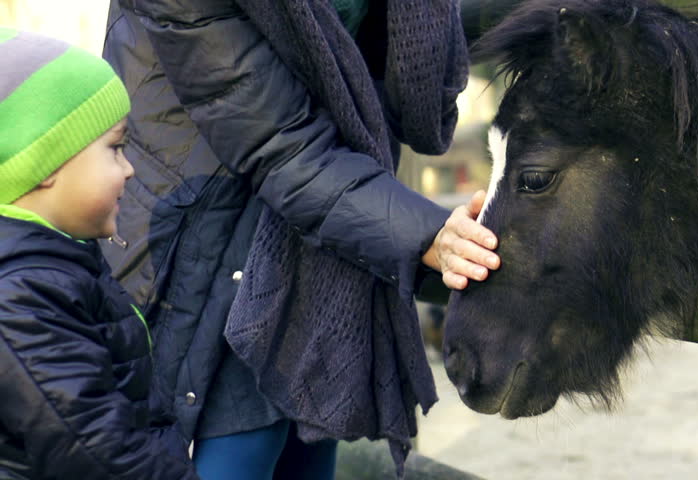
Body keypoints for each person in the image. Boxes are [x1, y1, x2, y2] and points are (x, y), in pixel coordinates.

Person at [102, 0, 499, 479]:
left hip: (332, 241)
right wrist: (426, 236)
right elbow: (280, 143)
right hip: (210, 244)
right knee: (238, 444)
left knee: (307, 442)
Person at [0, 28, 198, 479]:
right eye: (115, 148)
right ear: (46, 163)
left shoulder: (57, 261)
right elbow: (101, 455)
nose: (129, 169)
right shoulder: (20, 297)